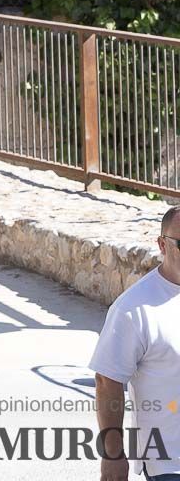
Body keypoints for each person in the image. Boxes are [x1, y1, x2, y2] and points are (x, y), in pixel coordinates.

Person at [91, 206, 180, 481]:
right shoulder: (133, 308)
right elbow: (107, 383)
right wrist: (113, 456)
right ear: (162, 245)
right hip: (169, 463)